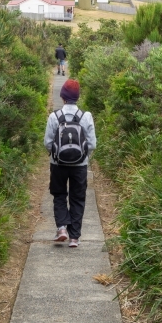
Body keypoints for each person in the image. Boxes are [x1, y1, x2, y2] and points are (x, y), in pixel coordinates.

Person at [44, 79, 96, 247]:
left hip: (58, 164)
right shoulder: (86, 116)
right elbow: (92, 144)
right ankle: (74, 237)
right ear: (77, 97)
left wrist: (57, 154)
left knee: (59, 195)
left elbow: (47, 143)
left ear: (63, 97)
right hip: (80, 166)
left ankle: (61, 229)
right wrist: (81, 156)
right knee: (78, 198)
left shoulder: (54, 116)